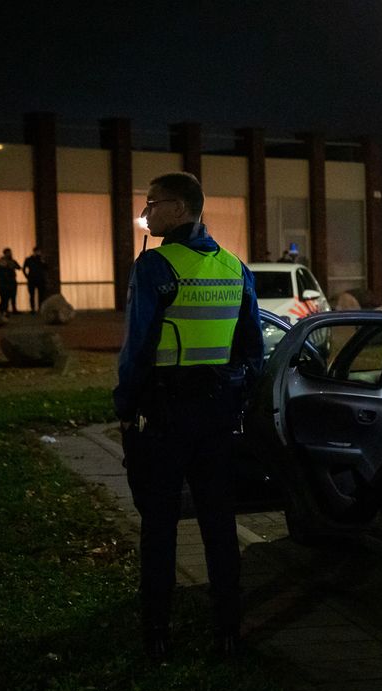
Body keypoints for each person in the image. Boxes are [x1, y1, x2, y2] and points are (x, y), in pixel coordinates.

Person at [114, 171, 263, 660]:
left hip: (165, 414)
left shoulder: (155, 266)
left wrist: (125, 406)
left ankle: (156, 634)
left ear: (179, 210)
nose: (147, 212)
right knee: (219, 526)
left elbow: (137, 349)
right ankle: (228, 631)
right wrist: (233, 401)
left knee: (159, 527)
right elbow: (251, 352)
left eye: (152, 203)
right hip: (216, 417)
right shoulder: (234, 268)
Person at [0, 247, 21, 316]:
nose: (10, 254)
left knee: (13, 296)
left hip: (12, 281)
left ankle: (13, 310)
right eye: (8, 253)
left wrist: (12, 265)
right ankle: (3, 311)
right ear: (5, 253)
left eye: (10, 252)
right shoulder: (1, 261)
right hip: (4, 283)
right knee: (4, 298)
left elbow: (18, 267)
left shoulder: (12, 261)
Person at [23, 246, 49, 314]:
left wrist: (43, 262)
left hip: (40, 279)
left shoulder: (41, 259)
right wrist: (27, 276)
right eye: (38, 251)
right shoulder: (29, 259)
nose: (39, 253)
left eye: (40, 252)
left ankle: (40, 308)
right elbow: (24, 268)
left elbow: (46, 268)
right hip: (32, 279)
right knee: (32, 295)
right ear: (34, 251)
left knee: (41, 295)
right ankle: (33, 309)